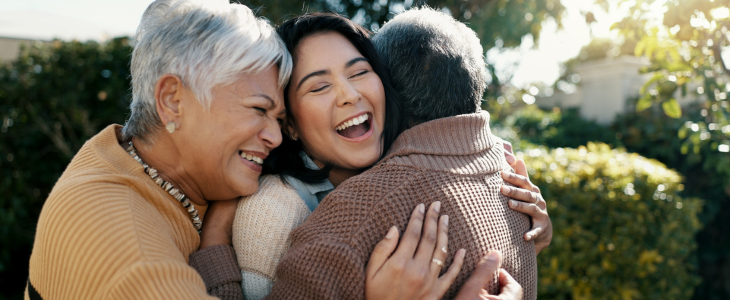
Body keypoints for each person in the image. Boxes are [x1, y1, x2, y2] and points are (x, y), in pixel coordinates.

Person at [24, 1, 494, 299]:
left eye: (277, 116)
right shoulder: (131, 254)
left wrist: (499, 188)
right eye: (258, 109)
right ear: (172, 100)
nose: (274, 135)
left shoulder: (146, 161)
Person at [232, 11, 551, 300]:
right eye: (318, 87)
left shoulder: (455, 178)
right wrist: (216, 245)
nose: (349, 95)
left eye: (359, 73)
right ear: (290, 126)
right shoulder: (272, 211)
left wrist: (526, 234)